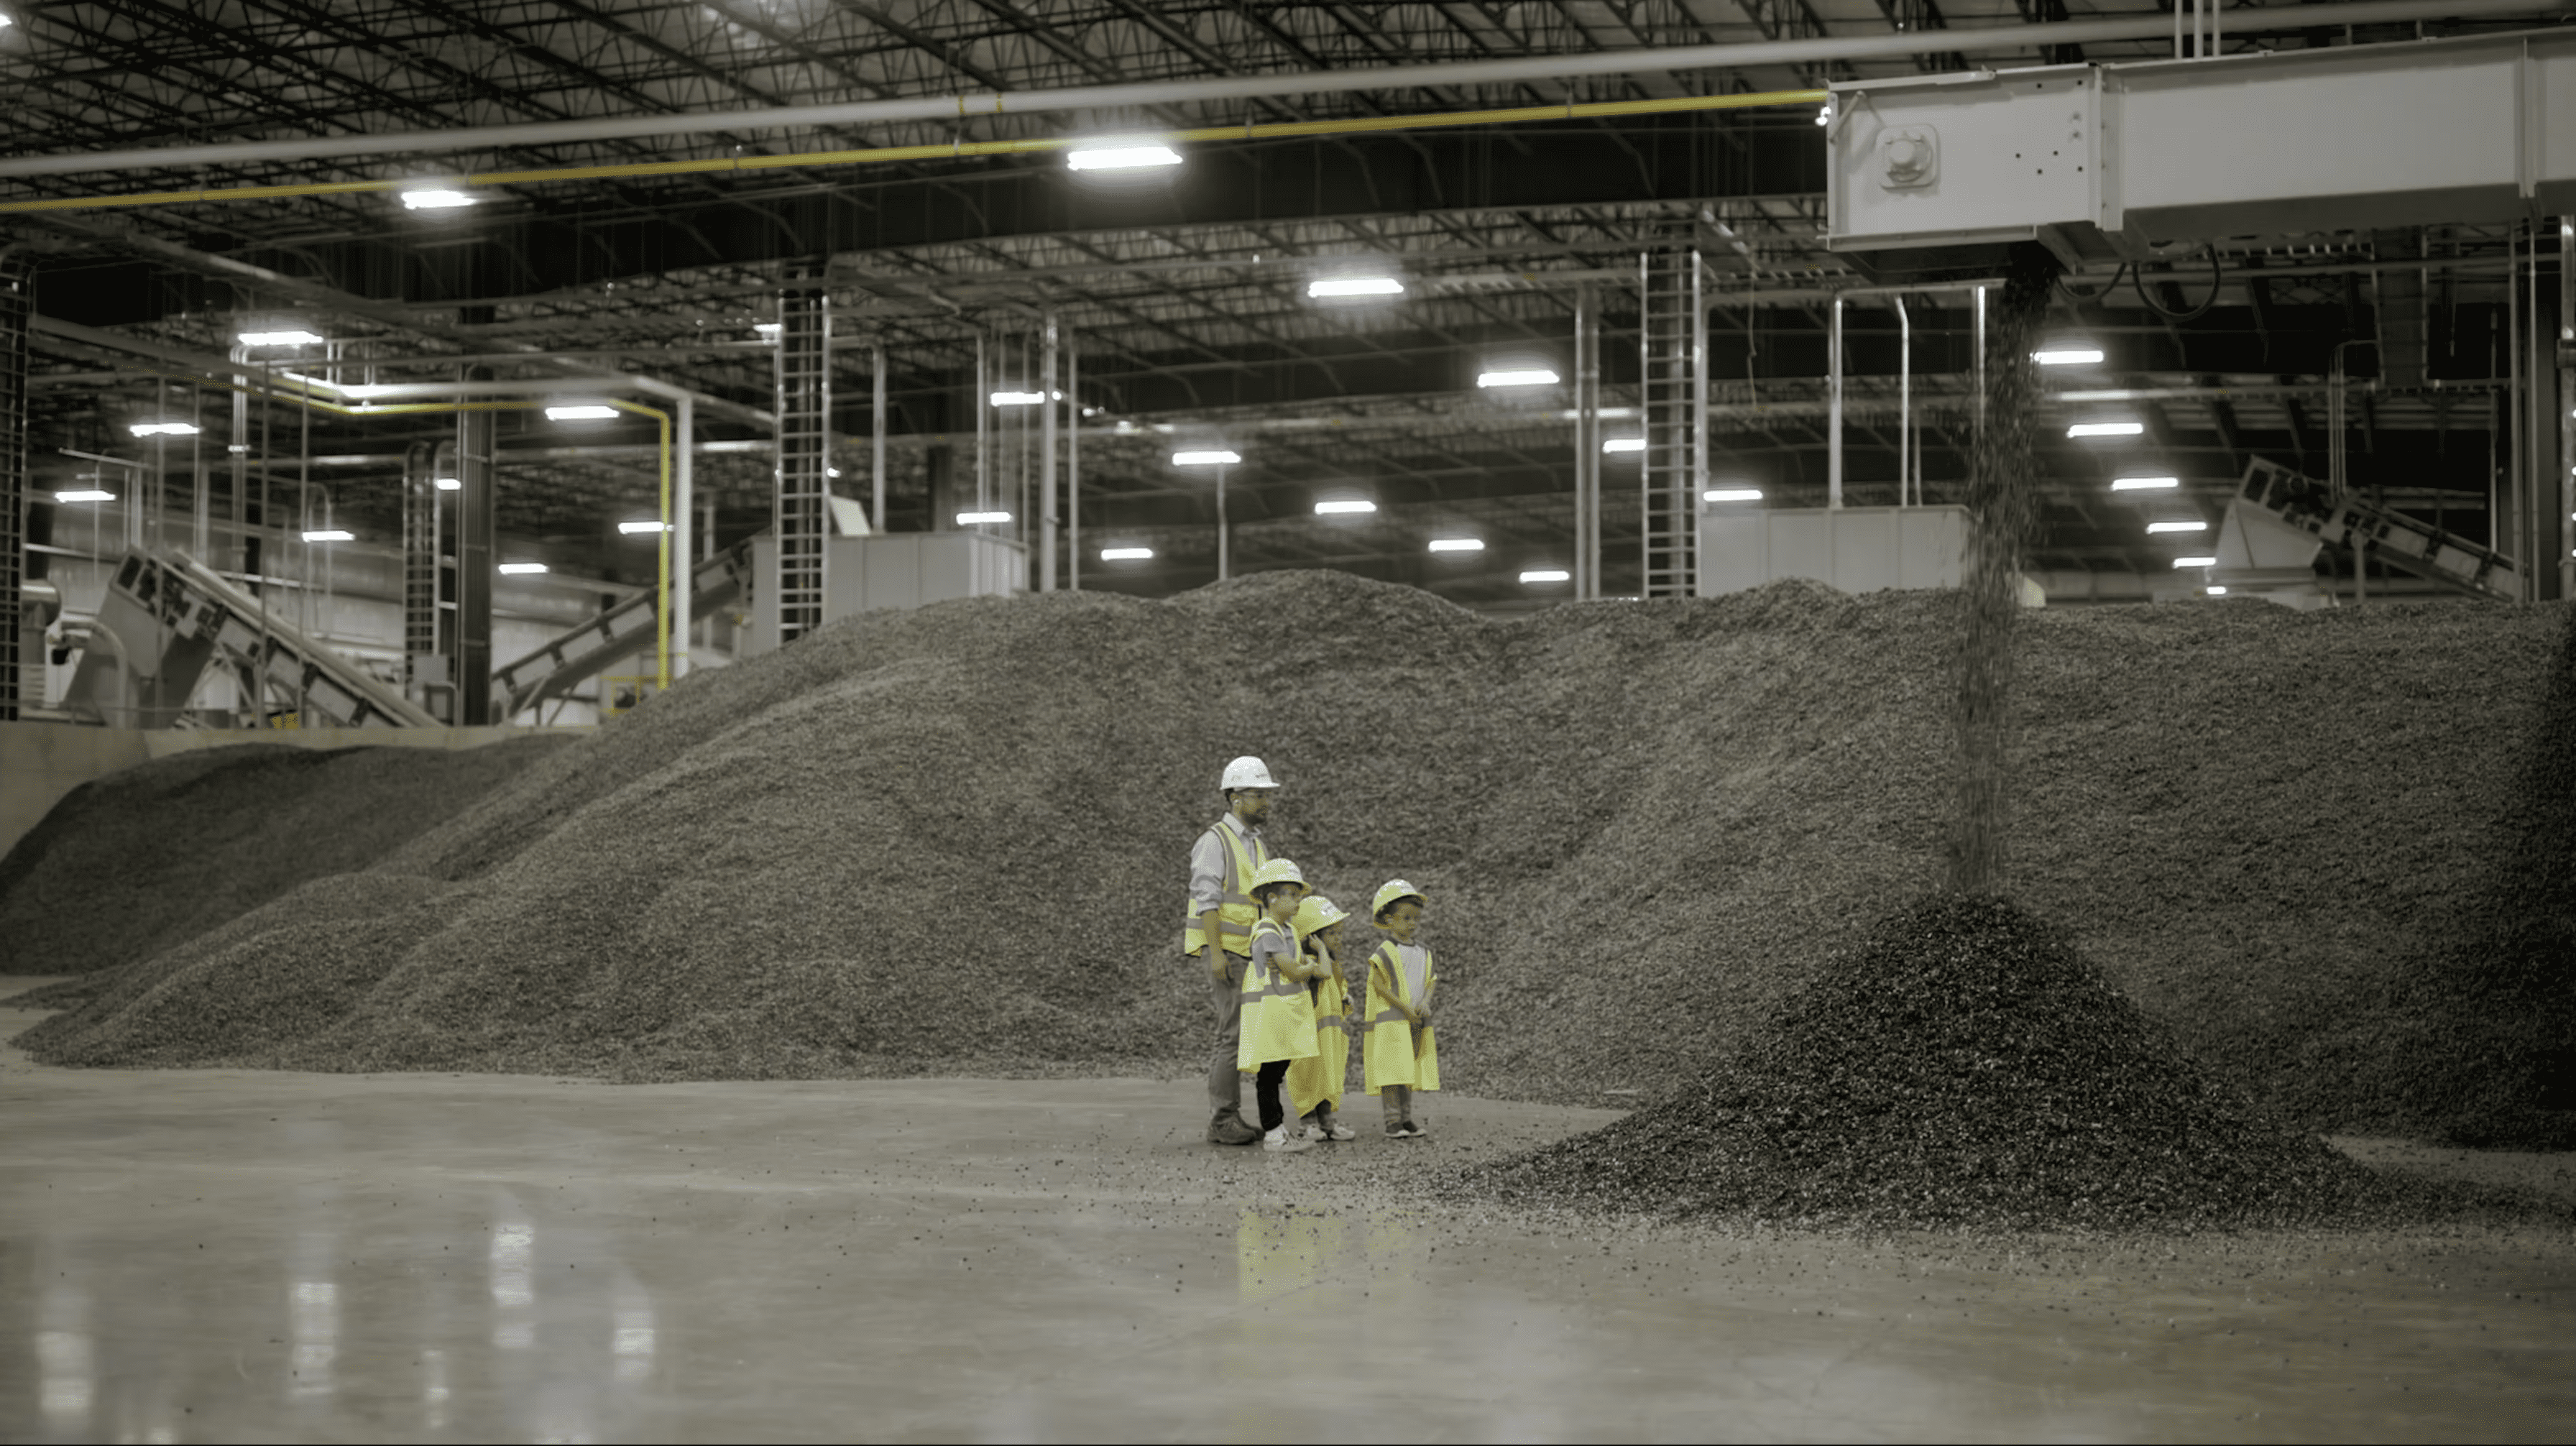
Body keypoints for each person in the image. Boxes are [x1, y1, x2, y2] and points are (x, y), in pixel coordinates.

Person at [1187, 756, 1276, 1145]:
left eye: (1266, 795)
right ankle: (1222, 1120)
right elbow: (1206, 900)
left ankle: (1232, 1117)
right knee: (1232, 1035)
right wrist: (1218, 953)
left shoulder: (1256, 845)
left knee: (1246, 1036)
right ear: (1235, 797)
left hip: (1251, 954)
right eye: (1258, 794)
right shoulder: (1214, 842)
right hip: (1229, 953)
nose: (1266, 802)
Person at [1236, 858, 1320, 1153]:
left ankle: (1279, 1129)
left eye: (1300, 895)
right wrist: (1308, 963)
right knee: (1270, 1074)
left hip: (1282, 1015)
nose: (1299, 901)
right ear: (1272, 898)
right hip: (1271, 1016)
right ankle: (1273, 1132)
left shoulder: (1285, 932)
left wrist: (1302, 964)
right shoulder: (1268, 932)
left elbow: (1294, 968)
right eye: (1293, 895)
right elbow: (1295, 972)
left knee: (1276, 1071)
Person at [1361, 879, 1441, 1139]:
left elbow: (1431, 981)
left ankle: (1406, 1119)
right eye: (1406, 918)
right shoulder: (1385, 950)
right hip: (1392, 1022)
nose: (1412, 923)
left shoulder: (1423, 952)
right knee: (1391, 1071)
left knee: (1407, 1070)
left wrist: (1426, 1003)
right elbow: (1378, 984)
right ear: (1388, 919)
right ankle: (1392, 1120)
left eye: (1416, 918)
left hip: (1414, 1020)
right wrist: (1404, 1007)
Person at [1287, 893, 1357, 1143]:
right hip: (1309, 1039)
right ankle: (1308, 1124)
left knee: (1329, 1077)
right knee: (1307, 1077)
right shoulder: (1307, 963)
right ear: (1312, 938)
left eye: (1339, 933)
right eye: (1332, 934)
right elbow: (1320, 981)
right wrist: (1320, 952)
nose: (1339, 939)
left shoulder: (1333, 964)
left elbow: (1336, 990)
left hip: (1330, 1038)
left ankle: (1328, 1122)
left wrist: (1345, 999)